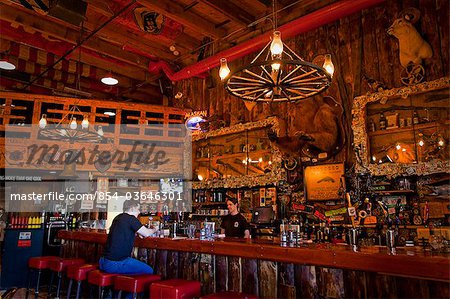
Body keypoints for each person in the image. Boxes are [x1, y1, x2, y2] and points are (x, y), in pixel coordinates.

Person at [99, 200, 158, 275]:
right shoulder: (131, 219)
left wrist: (137, 233)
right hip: (115, 263)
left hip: (103, 261)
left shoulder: (118, 217)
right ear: (133, 208)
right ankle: (124, 284)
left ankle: (122, 284)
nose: (139, 212)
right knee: (149, 271)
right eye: (138, 209)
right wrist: (155, 229)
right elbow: (146, 233)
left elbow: (123, 231)